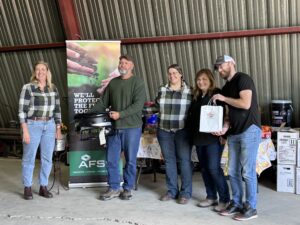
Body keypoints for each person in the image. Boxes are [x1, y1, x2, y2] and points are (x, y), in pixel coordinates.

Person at [89, 54, 146, 200]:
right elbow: (103, 103)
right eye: (121, 63)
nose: (122, 65)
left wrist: (120, 114)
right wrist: (87, 114)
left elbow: (138, 105)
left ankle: (127, 188)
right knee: (111, 159)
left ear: (131, 66)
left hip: (132, 128)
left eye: (126, 63)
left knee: (130, 160)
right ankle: (114, 187)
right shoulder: (113, 83)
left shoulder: (137, 82)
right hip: (114, 128)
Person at [212, 55, 261, 221]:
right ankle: (237, 203)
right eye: (217, 68)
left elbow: (245, 104)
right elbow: (229, 114)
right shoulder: (226, 87)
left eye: (221, 66)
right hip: (234, 132)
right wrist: (224, 127)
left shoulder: (243, 79)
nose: (219, 70)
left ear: (231, 62)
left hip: (249, 130)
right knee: (232, 171)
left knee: (247, 172)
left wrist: (223, 99)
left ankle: (251, 207)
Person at [145, 64, 193, 204]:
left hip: (182, 131)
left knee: (184, 162)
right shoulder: (162, 89)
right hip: (164, 131)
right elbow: (155, 107)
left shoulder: (190, 91)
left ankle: (185, 193)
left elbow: (194, 111)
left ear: (181, 74)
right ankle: (172, 191)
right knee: (169, 162)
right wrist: (140, 110)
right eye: (170, 73)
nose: (172, 76)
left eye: (175, 73)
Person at [18, 61, 62, 200]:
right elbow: (22, 111)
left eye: (43, 69)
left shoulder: (53, 88)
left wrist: (58, 128)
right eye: (38, 69)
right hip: (32, 125)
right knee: (29, 158)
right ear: (34, 72)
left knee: (47, 158)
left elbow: (57, 110)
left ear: (47, 71)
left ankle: (43, 186)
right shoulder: (28, 88)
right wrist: (25, 130)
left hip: (49, 125)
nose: (40, 72)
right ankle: (28, 187)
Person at [187, 69, 230, 211]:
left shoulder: (216, 94)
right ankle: (211, 197)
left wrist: (223, 134)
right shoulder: (196, 95)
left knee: (213, 168)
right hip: (199, 138)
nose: (201, 82)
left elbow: (222, 114)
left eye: (204, 79)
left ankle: (224, 199)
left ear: (210, 80)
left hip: (213, 138)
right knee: (204, 169)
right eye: (199, 79)